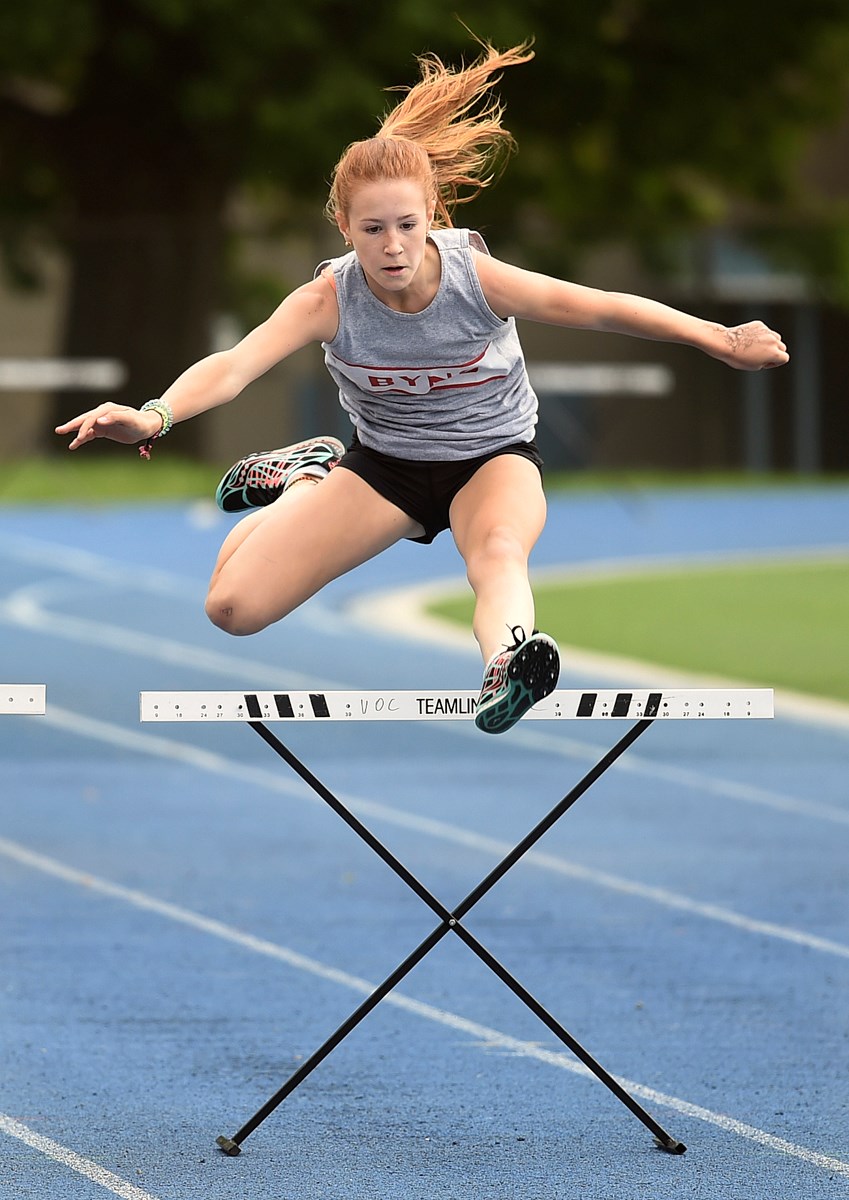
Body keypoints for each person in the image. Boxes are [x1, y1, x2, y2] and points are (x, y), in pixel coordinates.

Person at [55, 39, 789, 735]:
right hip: (385, 470)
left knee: (498, 550)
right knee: (232, 608)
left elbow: (600, 306)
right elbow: (234, 365)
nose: (393, 246)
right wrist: (155, 417)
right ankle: (307, 481)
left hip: (493, 457)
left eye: (407, 225)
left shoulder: (477, 279)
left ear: (432, 214)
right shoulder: (328, 301)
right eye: (372, 230)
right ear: (344, 227)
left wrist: (719, 339)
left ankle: (507, 665)